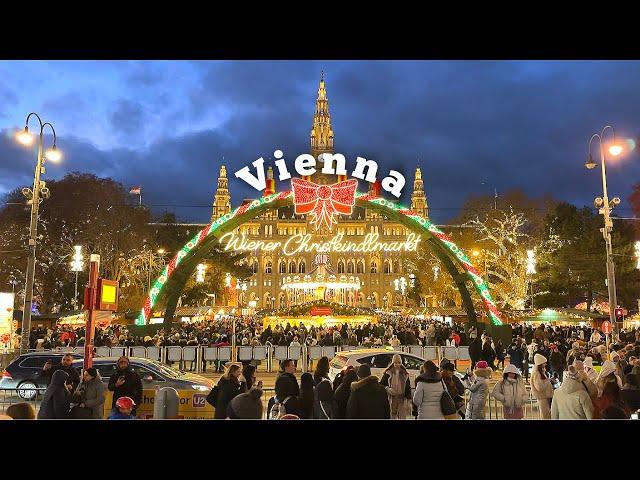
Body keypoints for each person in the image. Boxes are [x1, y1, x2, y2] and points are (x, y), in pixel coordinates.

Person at [379, 354, 411, 419]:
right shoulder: (388, 373)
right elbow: (382, 384)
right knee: (392, 415)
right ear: (393, 363)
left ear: (401, 363)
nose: (397, 364)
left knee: (402, 415)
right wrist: (388, 389)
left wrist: (408, 399)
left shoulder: (404, 374)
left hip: (401, 397)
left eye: (399, 363)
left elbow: (408, 387)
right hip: (391, 398)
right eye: (395, 363)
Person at [530, 354, 554, 419]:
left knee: (547, 415)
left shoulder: (540, 372)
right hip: (542, 397)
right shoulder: (537, 374)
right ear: (540, 363)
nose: (545, 364)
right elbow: (539, 387)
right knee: (545, 416)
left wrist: (549, 380)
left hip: (545, 396)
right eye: (544, 363)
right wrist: (548, 381)